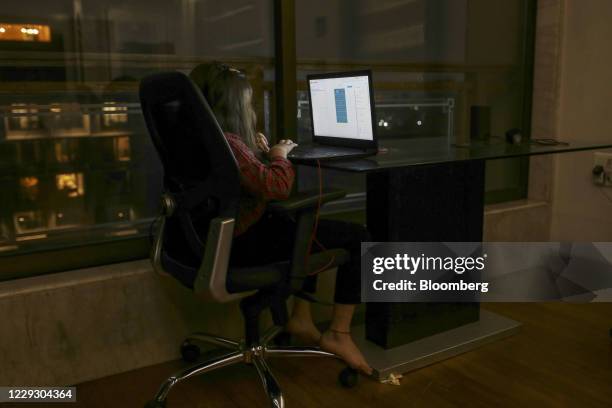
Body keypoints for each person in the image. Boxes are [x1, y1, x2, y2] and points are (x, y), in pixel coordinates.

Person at [190, 62, 372, 375]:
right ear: (232, 106)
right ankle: (338, 334)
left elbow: (240, 182)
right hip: (244, 246)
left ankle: (300, 318)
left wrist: (258, 153)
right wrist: (278, 156)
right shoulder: (230, 143)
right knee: (358, 236)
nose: (251, 109)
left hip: (210, 243)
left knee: (305, 225)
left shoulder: (198, 140)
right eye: (247, 103)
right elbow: (277, 186)